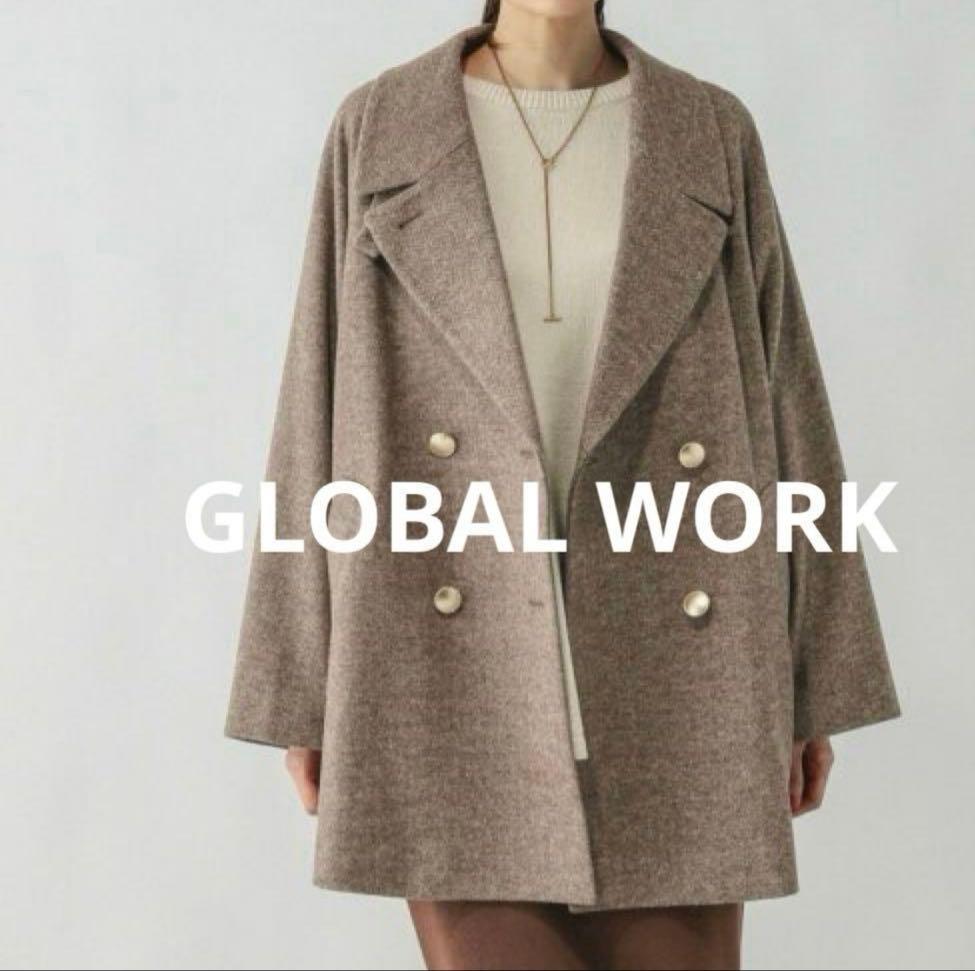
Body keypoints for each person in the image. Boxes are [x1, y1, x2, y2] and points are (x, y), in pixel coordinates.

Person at [225, 2, 902, 968]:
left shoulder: (708, 131)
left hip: (685, 669)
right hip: (445, 660)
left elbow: (789, 391)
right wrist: (302, 687)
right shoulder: (381, 127)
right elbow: (314, 399)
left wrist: (811, 677)